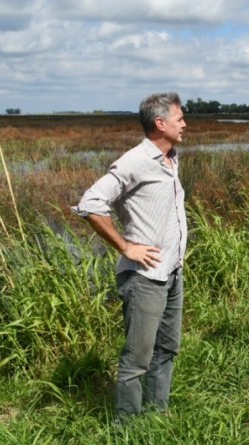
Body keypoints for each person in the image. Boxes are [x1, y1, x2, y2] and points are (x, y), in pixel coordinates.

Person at [72, 92, 188, 419]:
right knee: (137, 359)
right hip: (143, 277)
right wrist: (126, 246)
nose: (185, 124)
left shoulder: (171, 158)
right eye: (180, 118)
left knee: (166, 349)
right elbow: (90, 203)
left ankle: (156, 416)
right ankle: (127, 429)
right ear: (160, 123)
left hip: (171, 272)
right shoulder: (135, 161)